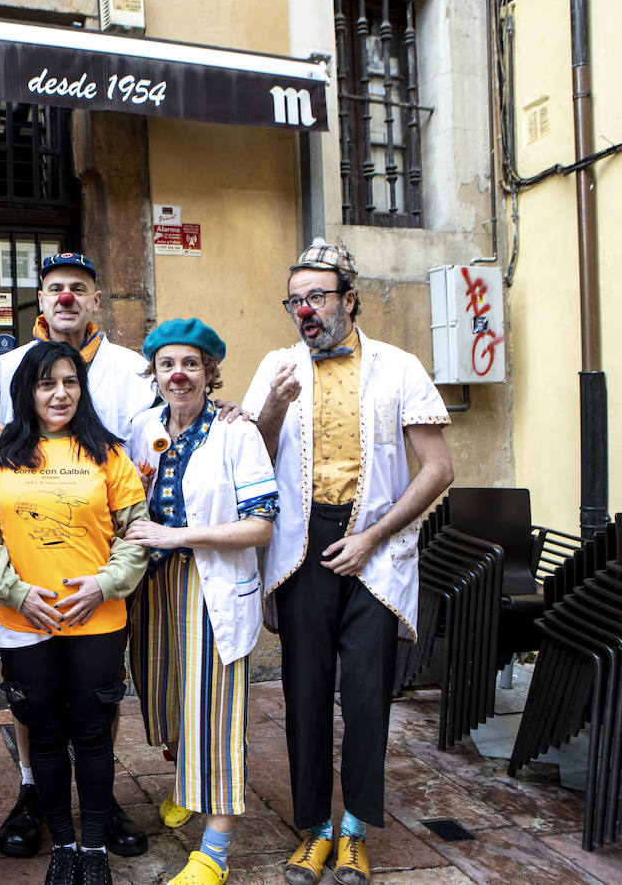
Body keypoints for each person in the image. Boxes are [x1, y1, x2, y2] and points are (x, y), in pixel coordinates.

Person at [242, 238, 454, 885]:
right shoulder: (277, 366)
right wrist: (271, 407)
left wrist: (373, 537)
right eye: (295, 300)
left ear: (350, 300)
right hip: (303, 546)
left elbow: (439, 469)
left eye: (317, 297)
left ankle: (356, 827)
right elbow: (251, 462)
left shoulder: (399, 367)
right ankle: (315, 831)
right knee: (305, 693)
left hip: (376, 550)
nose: (305, 310)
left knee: (365, 697)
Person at [0, 251, 155, 858]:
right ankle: (40, 800)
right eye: (56, 288)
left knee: (96, 721)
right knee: (42, 724)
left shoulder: (134, 372)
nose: (68, 298)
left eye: (80, 288)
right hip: (25, 602)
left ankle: (98, 818)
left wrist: (108, 582)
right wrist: (8, 589)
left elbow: (171, 422)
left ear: (96, 299)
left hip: (100, 586)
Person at [122, 319, 279, 885]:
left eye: (191, 364)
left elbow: (260, 527)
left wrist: (177, 536)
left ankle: (214, 849)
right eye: (168, 364)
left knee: (213, 710)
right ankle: (187, 784)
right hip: (151, 588)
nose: (179, 374)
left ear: (210, 372)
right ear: (155, 373)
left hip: (209, 587)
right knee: (166, 697)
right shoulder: (140, 429)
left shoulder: (237, 433)